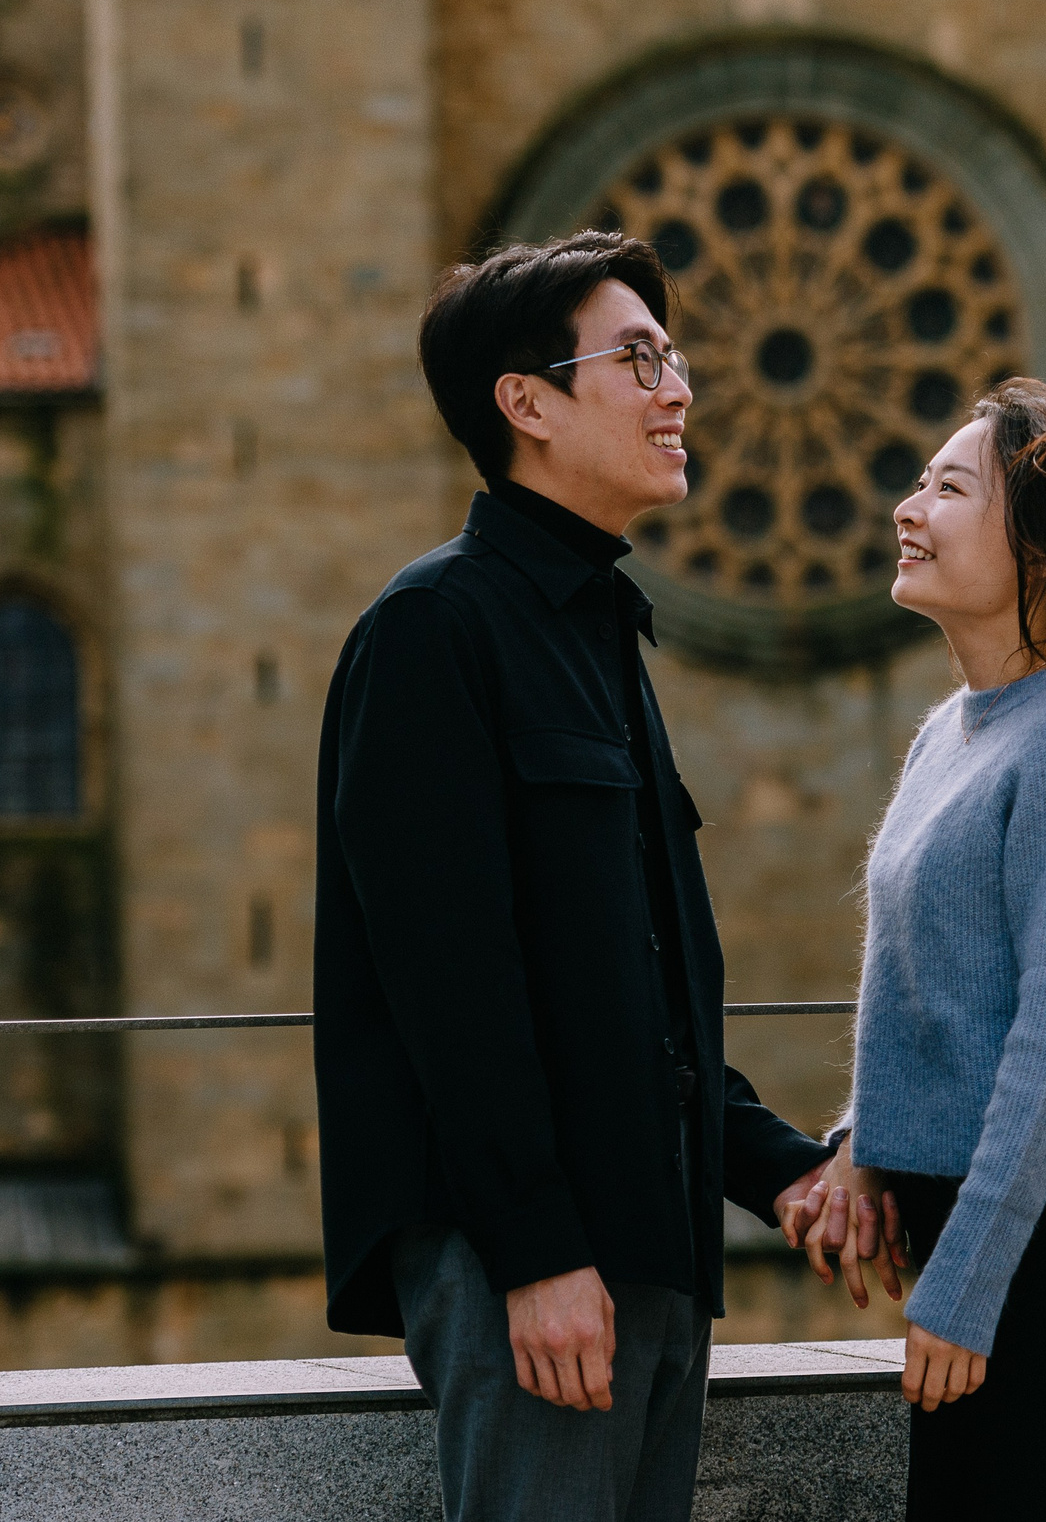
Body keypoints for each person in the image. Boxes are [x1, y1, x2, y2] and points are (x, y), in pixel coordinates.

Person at [313, 231, 836, 1522]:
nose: (681, 391)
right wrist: (536, 1250)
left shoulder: (601, 631)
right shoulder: (433, 630)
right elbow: (449, 984)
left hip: (649, 1240)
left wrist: (781, 1171)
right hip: (532, 1261)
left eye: (675, 357)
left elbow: (635, 994)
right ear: (528, 403)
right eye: (639, 358)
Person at [783, 380, 1046, 1521]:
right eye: (921, 481)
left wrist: (966, 1284)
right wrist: (865, 1147)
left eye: (949, 486)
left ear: (1040, 551)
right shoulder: (950, 730)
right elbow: (930, 993)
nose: (908, 508)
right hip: (979, 1247)